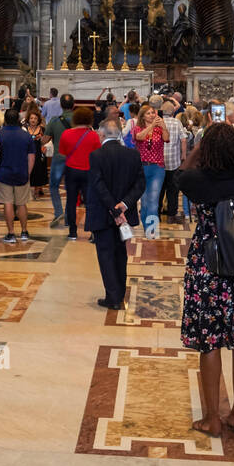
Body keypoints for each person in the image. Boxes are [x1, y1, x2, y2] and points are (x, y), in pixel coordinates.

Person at [178, 122, 234, 436]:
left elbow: (181, 172)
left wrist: (203, 142)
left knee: (209, 343)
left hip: (207, 268)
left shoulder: (197, 181)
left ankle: (212, 418)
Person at [85, 115, 144, 310]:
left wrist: (114, 208)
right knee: (120, 253)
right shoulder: (133, 155)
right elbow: (140, 185)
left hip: (104, 213)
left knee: (105, 254)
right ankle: (119, 293)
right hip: (124, 214)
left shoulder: (96, 155)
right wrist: (124, 206)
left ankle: (113, 297)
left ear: (101, 134)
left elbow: (98, 185)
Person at [58, 105, 101, 241]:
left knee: (71, 201)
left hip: (71, 170)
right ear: (89, 119)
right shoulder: (93, 135)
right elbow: (97, 154)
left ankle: (72, 231)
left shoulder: (66, 134)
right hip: (88, 171)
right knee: (90, 202)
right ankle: (92, 232)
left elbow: (62, 152)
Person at [0, 108, 35, 244]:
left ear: (5, 120)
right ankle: (24, 231)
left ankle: (11, 233)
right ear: (18, 119)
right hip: (21, 172)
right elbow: (31, 158)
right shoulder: (27, 136)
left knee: (7, 203)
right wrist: (27, 173)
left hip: (3, 173)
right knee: (22, 203)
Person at [132, 100, 168, 236]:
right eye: (149, 113)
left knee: (153, 199)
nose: (152, 115)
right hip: (141, 167)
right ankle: (146, 223)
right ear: (143, 116)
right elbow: (139, 137)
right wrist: (152, 126)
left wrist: (163, 126)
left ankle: (152, 231)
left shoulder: (159, 129)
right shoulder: (138, 128)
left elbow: (167, 138)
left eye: (153, 112)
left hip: (157, 167)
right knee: (145, 200)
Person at [45, 93, 73, 228]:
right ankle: (68, 217)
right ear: (73, 105)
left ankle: (58, 212)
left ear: (61, 105)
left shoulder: (55, 121)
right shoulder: (78, 120)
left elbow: (45, 139)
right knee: (71, 188)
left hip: (58, 157)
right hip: (73, 158)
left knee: (54, 186)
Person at [159, 101, 186, 223]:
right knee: (173, 190)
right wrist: (183, 155)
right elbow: (183, 139)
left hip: (159, 160)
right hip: (173, 161)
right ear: (173, 112)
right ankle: (171, 215)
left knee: (159, 189)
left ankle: (157, 213)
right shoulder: (176, 122)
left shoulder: (158, 122)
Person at [26, 106, 47, 195]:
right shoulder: (25, 130)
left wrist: (44, 147)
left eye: (35, 118)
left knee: (39, 170)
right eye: (31, 118)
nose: (33, 120)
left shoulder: (42, 129)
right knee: (30, 170)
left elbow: (46, 140)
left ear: (38, 120)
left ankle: (38, 188)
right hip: (28, 153)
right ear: (28, 119)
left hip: (39, 153)